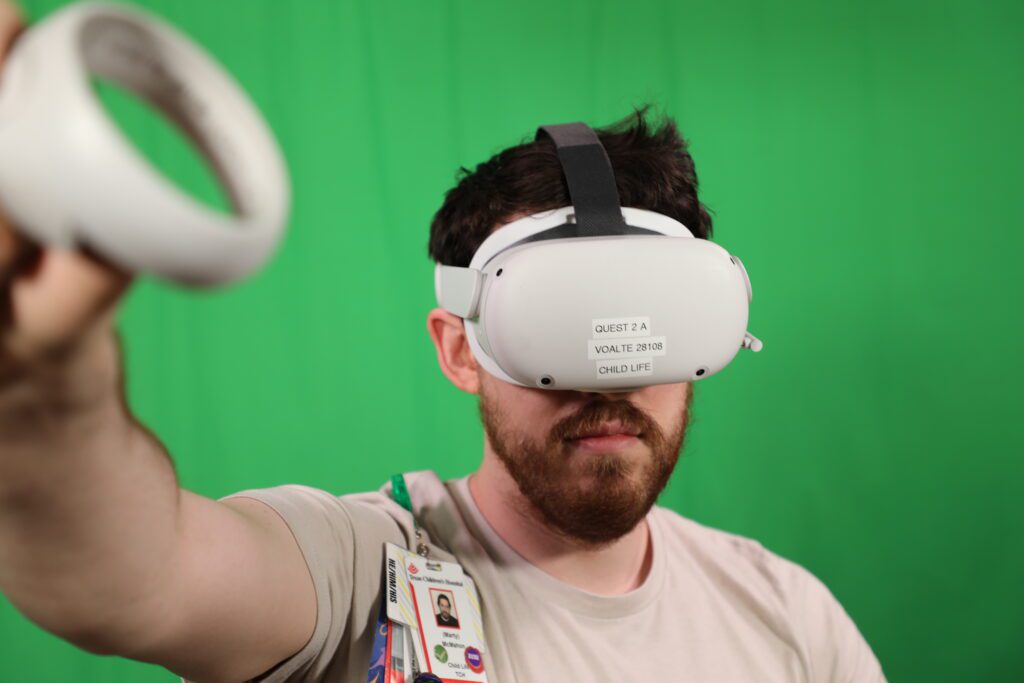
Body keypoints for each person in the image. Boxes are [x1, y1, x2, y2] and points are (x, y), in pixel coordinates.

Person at [0, 2, 886, 680]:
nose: (610, 370)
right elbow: (141, 581)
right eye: (555, 320)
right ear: (461, 347)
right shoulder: (363, 573)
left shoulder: (790, 619)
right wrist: (43, 391)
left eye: (652, 318)